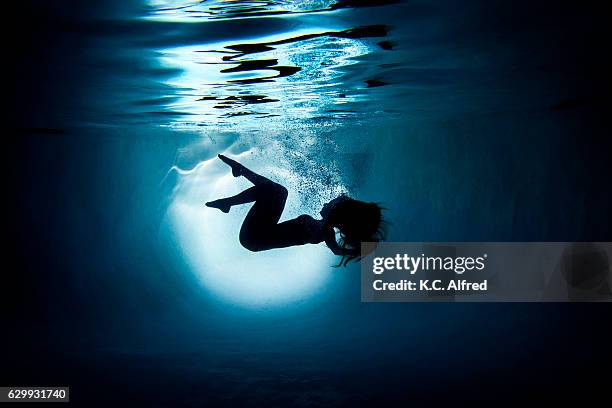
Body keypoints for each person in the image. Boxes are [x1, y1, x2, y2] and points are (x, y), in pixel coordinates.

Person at [206, 154, 386, 265]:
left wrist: (358, 251)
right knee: (276, 191)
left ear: (338, 214)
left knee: (278, 191)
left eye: (333, 202)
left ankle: (228, 197)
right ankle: (239, 172)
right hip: (256, 236)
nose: (327, 202)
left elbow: (337, 250)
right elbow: (337, 250)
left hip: (253, 238)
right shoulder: (324, 229)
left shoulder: (324, 232)